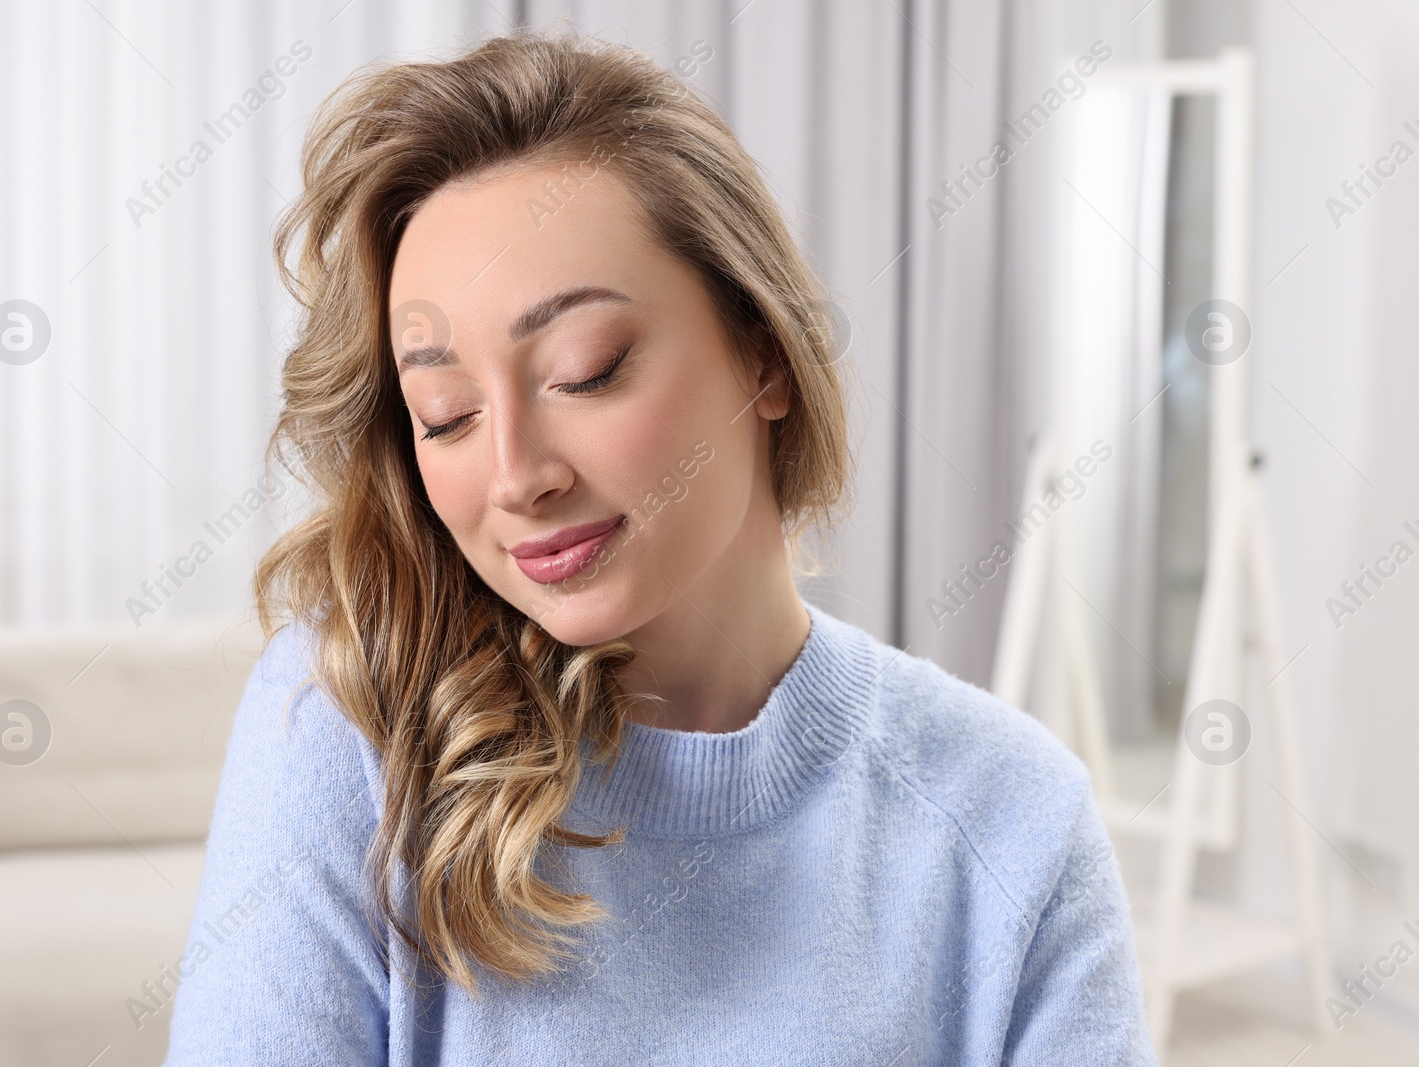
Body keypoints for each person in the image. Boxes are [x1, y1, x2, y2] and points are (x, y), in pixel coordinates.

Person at [163, 27, 1156, 1066]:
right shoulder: (353, 730)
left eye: (585, 370)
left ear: (764, 350)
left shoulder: (1010, 817)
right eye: (446, 412)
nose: (516, 473)